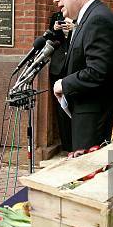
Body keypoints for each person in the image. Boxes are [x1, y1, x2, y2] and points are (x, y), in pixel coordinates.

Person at [51, 0, 113, 151]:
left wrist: (64, 84)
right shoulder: (89, 17)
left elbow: (98, 71)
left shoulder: (97, 19)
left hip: (96, 122)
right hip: (89, 117)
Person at [48, 11, 72, 152]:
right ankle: (66, 145)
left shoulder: (81, 16)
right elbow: (50, 39)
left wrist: (74, 28)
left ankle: (77, 144)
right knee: (61, 109)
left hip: (73, 66)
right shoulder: (57, 16)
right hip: (58, 66)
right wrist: (54, 30)